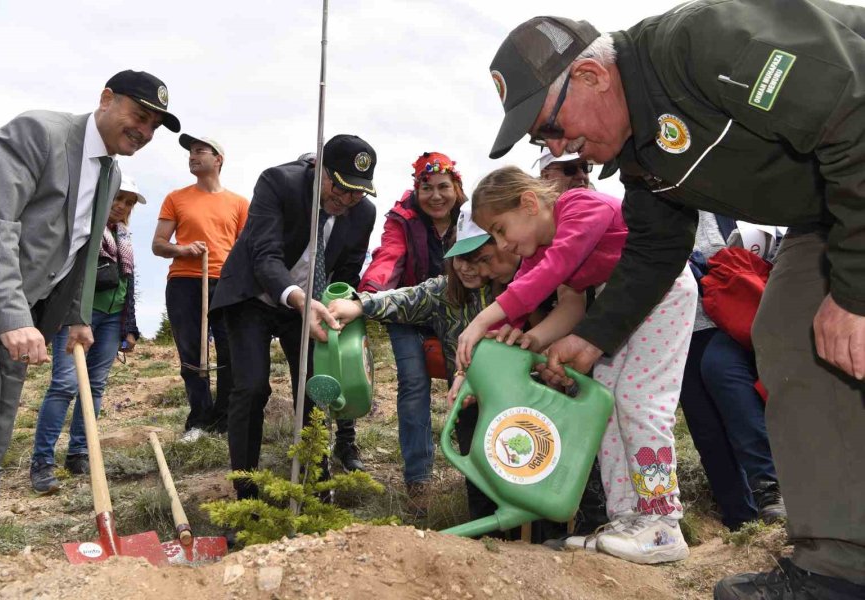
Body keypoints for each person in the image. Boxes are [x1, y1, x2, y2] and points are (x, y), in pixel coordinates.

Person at [487, 3, 865, 595]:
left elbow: (851, 108)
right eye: (543, 140)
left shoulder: (702, 44)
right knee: (790, 330)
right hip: (829, 213)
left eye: (550, 127)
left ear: (590, 76)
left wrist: (855, 290)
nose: (559, 147)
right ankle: (840, 569)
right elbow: (654, 250)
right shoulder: (641, 154)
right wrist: (592, 337)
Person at [0, 69, 179, 569]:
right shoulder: (37, 133)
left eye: (153, 126)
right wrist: (13, 316)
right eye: (138, 115)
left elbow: (80, 248)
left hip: (25, 313)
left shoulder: (110, 171)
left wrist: (78, 315)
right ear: (106, 99)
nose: (144, 131)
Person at [457, 167, 696, 565]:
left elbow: (551, 272)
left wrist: (480, 321)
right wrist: (517, 343)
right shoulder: (541, 247)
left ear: (529, 204)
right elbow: (527, 299)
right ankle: (627, 519)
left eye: (501, 229)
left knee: (639, 401)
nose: (502, 243)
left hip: (663, 292)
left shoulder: (582, 207)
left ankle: (662, 520)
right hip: (616, 307)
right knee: (602, 406)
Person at [210, 135, 377, 500]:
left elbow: (347, 274)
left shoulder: (362, 213)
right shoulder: (278, 183)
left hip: (310, 305)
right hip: (253, 296)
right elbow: (264, 255)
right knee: (251, 388)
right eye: (341, 188)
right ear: (321, 170)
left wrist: (336, 307)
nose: (346, 200)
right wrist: (298, 298)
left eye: (357, 193)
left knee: (317, 385)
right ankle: (247, 491)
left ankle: (317, 480)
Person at [357, 152, 464, 508]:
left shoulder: (470, 218)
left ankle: (477, 470)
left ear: (456, 187)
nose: (436, 196)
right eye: (426, 187)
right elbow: (388, 257)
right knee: (413, 383)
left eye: (443, 187)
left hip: (453, 309)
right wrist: (371, 294)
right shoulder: (401, 220)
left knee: (464, 382)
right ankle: (418, 479)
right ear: (416, 189)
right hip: (407, 313)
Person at [29, 176, 146, 493]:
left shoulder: (123, 237)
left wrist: (130, 326)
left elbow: (126, 284)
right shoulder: (83, 228)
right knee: (65, 384)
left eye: (128, 202)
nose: (121, 206)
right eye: (118, 198)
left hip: (111, 317)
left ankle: (79, 454)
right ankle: (42, 463)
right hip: (77, 313)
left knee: (93, 386)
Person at [681, 211, 785, 530]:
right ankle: (742, 522)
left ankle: (771, 489)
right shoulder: (654, 210)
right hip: (687, 330)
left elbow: (780, 250)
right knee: (706, 428)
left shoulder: (734, 201)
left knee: (725, 375)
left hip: (740, 318)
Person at [152, 134, 249, 441]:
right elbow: (158, 244)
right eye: (190, 153)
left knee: (229, 351)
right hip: (185, 282)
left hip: (225, 282)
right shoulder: (176, 198)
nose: (192, 157)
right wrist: (182, 249)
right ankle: (199, 420)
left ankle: (223, 419)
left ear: (218, 159)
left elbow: (245, 249)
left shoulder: (238, 203)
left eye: (199, 151)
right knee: (192, 354)